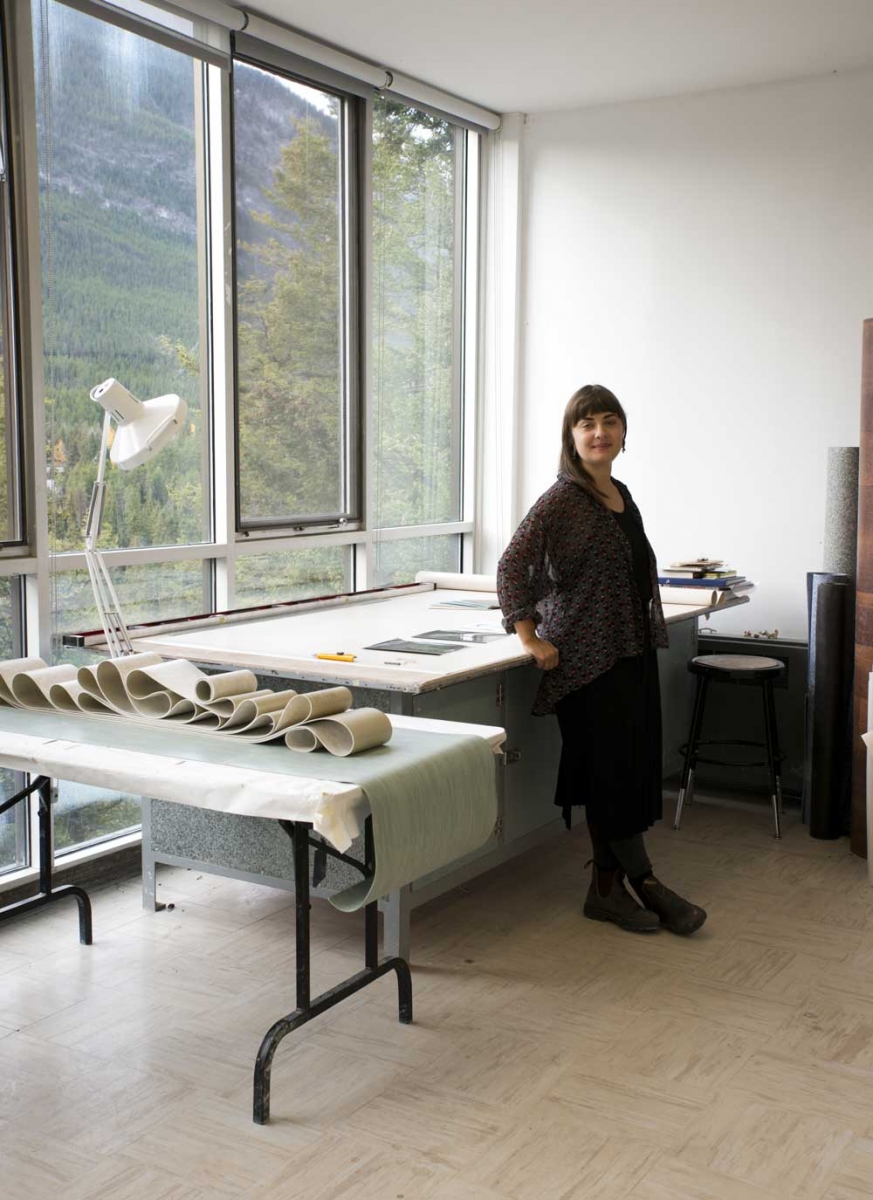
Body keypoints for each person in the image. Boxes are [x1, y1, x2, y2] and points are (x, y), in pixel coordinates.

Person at [496, 384, 706, 935]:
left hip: (629, 652)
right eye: (586, 423)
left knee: (624, 773)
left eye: (609, 422)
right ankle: (649, 886)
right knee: (610, 776)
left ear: (622, 433)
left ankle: (605, 891)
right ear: (571, 436)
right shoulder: (562, 499)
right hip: (585, 664)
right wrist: (529, 637)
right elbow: (511, 568)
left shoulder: (619, 493)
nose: (599, 433)